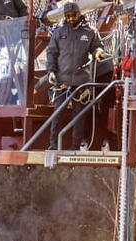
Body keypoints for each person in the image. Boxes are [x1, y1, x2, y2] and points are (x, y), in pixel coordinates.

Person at [46, 2, 108, 150]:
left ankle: (75, 146)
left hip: (82, 81)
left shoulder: (90, 32)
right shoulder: (58, 33)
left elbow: (97, 47)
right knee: (57, 114)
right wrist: (51, 72)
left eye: (73, 15)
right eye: (68, 16)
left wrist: (98, 52)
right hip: (62, 80)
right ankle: (53, 145)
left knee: (79, 116)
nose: (71, 18)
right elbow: (51, 53)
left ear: (79, 14)